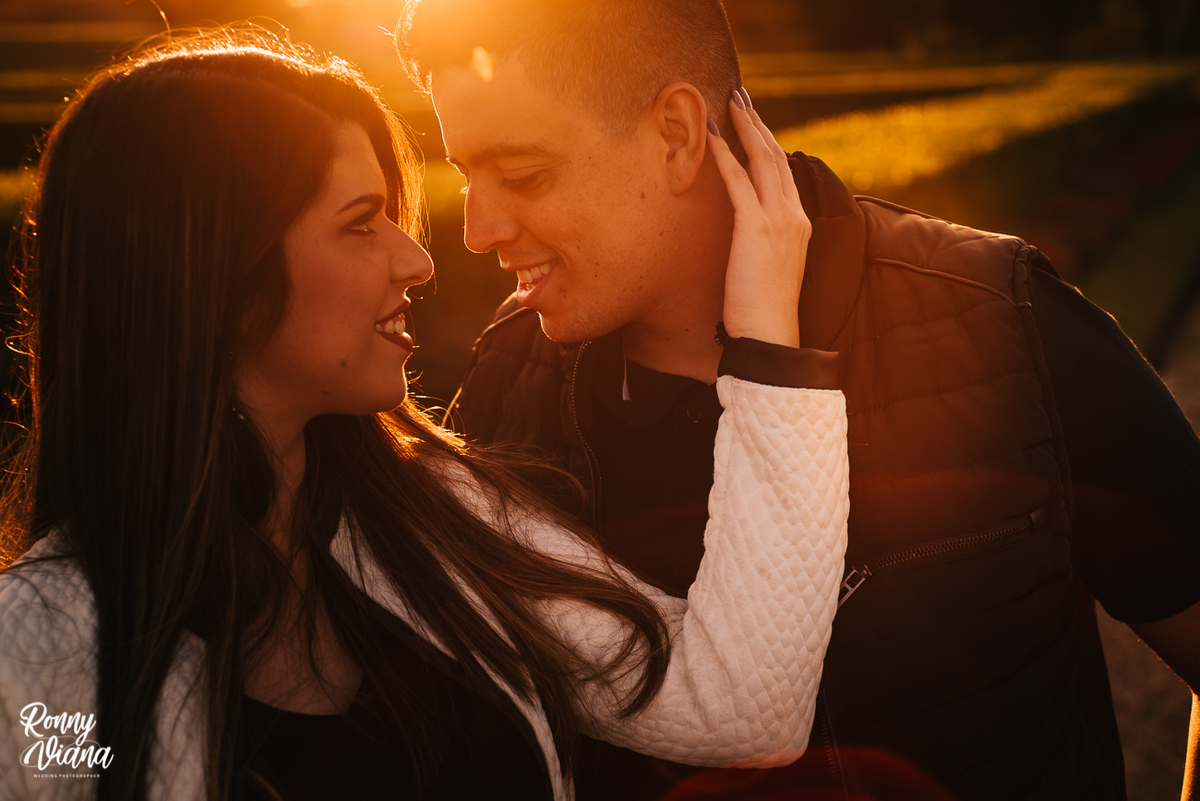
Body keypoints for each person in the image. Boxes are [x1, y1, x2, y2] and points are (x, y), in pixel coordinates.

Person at [0, 29, 851, 801]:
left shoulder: (439, 520)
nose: (420, 258)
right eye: (361, 225)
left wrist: (768, 349)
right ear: (214, 277)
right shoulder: (35, 667)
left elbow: (742, 707)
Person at [399, 0, 1200, 798]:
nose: (476, 229)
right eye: (467, 175)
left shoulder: (998, 316)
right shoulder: (507, 381)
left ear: (676, 134)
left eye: (524, 172)